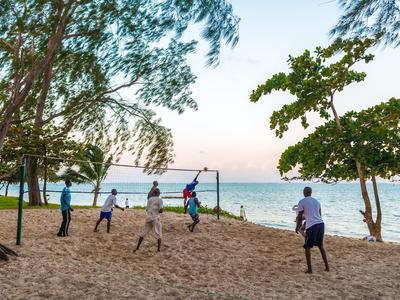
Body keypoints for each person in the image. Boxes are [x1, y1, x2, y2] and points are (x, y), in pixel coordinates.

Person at [295, 187, 329, 274]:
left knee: (307, 247)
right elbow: (318, 215)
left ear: (304, 192)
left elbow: (299, 216)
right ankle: (327, 267)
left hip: (312, 226)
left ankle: (310, 270)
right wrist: (305, 220)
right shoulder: (317, 202)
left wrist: (297, 226)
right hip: (321, 224)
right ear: (311, 192)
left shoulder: (302, 201)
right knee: (320, 245)